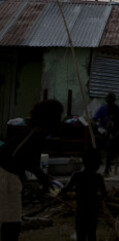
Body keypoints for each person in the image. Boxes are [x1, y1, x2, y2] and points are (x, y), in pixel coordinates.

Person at [0, 99, 64, 241]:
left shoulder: (31, 130)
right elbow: (27, 161)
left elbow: (26, 161)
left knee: (10, 220)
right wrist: (44, 180)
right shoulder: (36, 133)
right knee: (12, 221)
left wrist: (44, 178)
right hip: (7, 176)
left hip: (8, 174)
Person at [58, 148, 107, 241]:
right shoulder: (98, 177)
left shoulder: (77, 176)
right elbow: (104, 195)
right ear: (97, 164)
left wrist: (59, 195)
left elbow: (65, 190)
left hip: (81, 210)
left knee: (81, 234)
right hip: (92, 211)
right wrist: (97, 200)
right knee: (92, 234)